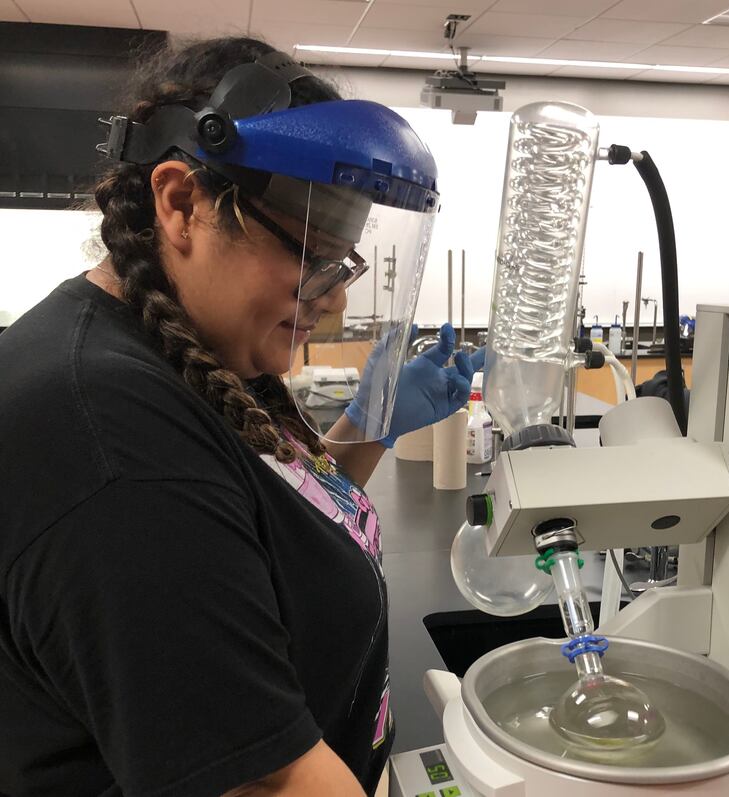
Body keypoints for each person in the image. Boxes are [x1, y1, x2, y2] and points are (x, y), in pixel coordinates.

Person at [0, 37, 482, 797]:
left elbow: (261, 519)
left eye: (344, 262)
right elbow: (266, 780)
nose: (334, 299)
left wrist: (371, 425)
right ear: (182, 203)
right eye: (313, 256)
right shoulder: (109, 437)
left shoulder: (189, 343)